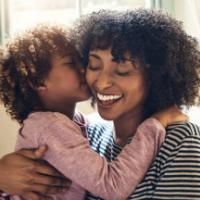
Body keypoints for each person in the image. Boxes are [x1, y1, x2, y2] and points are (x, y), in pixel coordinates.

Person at [0, 24, 187, 200]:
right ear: (38, 81)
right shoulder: (50, 126)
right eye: (71, 63)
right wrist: (154, 124)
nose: (84, 69)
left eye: (84, 62)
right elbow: (112, 186)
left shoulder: (75, 123)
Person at [71, 9, 200, 199]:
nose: (101, 82)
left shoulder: (181, 145)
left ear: (156, 75)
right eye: (94, 66)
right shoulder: (88, 135)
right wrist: (9, 177)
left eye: (122, 70)